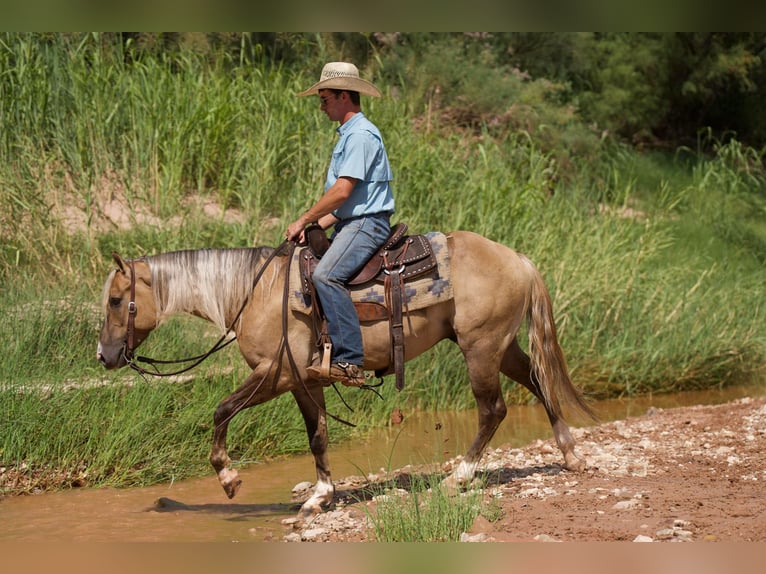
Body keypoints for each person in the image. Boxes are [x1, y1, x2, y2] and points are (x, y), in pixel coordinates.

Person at [285, 61, 395, 387]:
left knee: (326, 275)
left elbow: (342, 191)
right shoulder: (349, 135)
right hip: (354, 220)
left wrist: (306, 218)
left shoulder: (360, 135)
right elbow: (347, 202)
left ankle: (349, 361)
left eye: (325, 99)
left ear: (344, 96)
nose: (321, 107)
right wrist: (316, 224)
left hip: (367, 224)